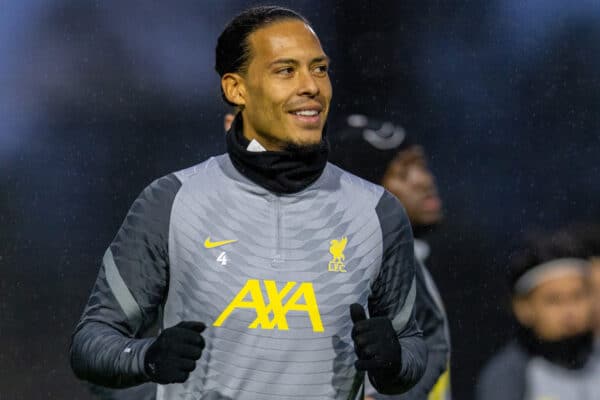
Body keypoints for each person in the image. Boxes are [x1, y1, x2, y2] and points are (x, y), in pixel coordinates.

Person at [70, 6, 427, 400]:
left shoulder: (378, 211)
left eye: (320, 69)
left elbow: (411, 345)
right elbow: (91, 341)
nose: (312, 85)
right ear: (235, 89)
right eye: (286, 70)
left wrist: (394, 360)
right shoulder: (171, 200)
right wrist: (146, 357)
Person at [329, 115, 451, 400]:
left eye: (420, 165)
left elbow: (433, 342)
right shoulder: (353, 258)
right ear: (366, 191)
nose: (425, 180)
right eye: (402, 172)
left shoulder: (411, 258)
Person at [475, 228, 599, 400]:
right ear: (523, 308)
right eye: (554, 300)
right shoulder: (509, 376)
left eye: (578, 296)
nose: (569, 311)